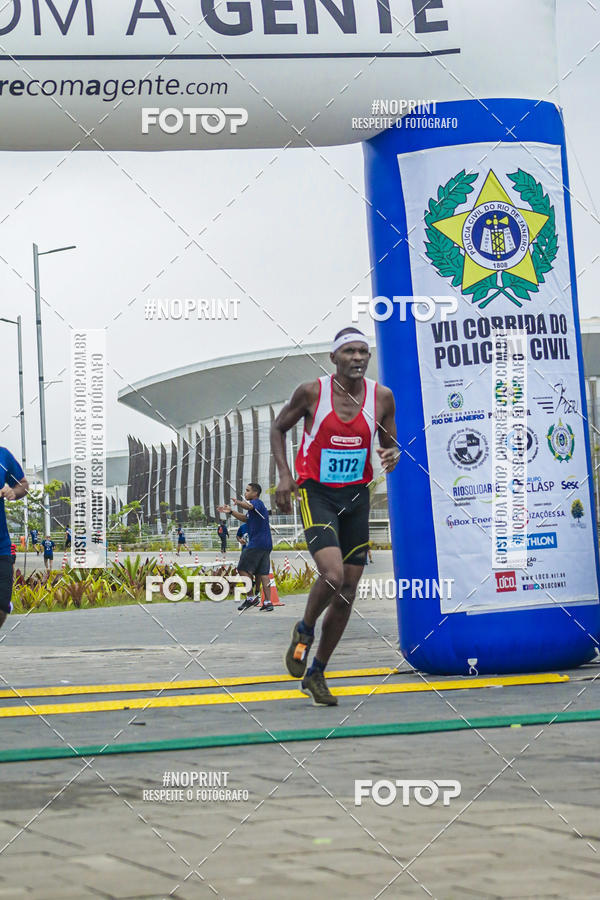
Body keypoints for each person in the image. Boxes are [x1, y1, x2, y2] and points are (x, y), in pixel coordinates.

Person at [271, 327, 399, 706]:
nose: (358, 358)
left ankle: (317, 672)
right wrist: (283, 475)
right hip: (317, 493)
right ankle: (304, 630)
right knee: (333, 574)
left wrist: (393, 454)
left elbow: (389, 444)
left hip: (356, 496)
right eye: (349, 352)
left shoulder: (382, 397)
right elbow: (278, 428)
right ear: (334, 358)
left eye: (363, 352)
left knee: (346, 592)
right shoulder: (312, 392)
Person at [218, 483, 274, 612]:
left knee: (242, 568)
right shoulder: (255, 510)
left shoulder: (257, 503)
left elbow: (249, 506)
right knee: (263, 573)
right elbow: (245, 518)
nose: (246, 493)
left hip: (257, 543)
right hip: (266, 544)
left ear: (255, 493)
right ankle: (268, 602)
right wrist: (231, 511)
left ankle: (250, 598)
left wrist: (238, 502)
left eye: (248, 491)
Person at [0, 447, 29, 630]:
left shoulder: (3, 455)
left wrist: (13, 491)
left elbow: (23, 484)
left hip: (1, 547)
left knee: (2, 606)